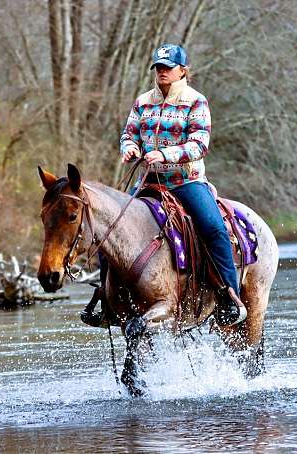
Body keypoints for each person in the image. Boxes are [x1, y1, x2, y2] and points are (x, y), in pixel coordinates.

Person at [82, 43, 245, 327]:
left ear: (183, 70)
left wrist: (165, 154)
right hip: (150, 182)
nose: (162, 72)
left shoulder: (196, 101)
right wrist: (130, 147)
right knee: (110, 225)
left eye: (168, 68)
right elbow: (129, 133)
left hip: (186, 181)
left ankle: (229, 296)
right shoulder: (143, 101)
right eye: (158, 67)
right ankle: (105, 301)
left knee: (213, 228)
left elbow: (199, 145)